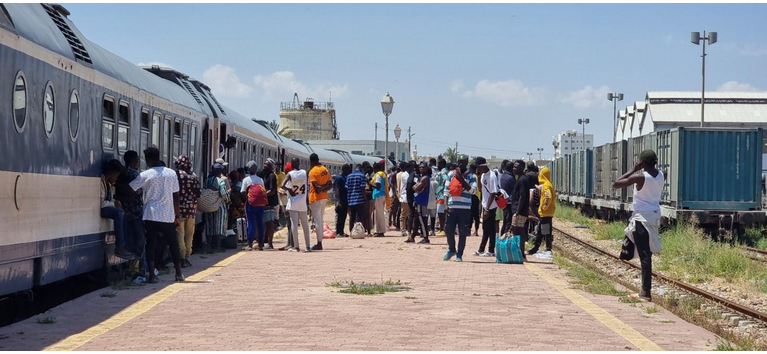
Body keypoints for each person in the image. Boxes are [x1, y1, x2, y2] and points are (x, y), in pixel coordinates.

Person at [613, 150, 664, 301]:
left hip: (641, 219)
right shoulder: (663, 175)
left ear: (641, 163)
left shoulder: (640, 177)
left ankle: (645, 292)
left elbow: (616, 183)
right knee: (647, 254)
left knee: (645, 256)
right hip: (654, 218)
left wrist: (633, 170)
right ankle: (645, 290)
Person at [129, 147, 184, 283]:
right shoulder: (171, 173)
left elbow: (131, 188)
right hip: (167, 215)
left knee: (151, 244)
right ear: (158, 156)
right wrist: (177, 216)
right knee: (173, 243)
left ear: (147, 160)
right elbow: (175, 196)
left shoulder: (146, 174)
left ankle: (152, 275)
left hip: (151, 214)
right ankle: (178, 274)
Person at [115, 151, 146, 279]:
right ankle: (140, 269)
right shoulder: (134, 174)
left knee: (130, 243)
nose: (139, 162)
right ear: (134, 161)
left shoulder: (122, 175)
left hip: (127, 212)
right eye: (138, 160)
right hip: (137, 212)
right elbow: (134, 195)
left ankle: (132, 269)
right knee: (141, 242)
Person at [443, 155, 477, 262]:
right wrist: (445, 205)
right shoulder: (450, 174)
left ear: (467, 163)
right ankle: (451, 249)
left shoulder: (471, 176)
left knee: (462, 232)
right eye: (459, 162)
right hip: (452, 206)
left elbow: (473, 191)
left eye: (463, 162)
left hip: (465, 208)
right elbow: (446, 191)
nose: (460, 164)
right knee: (449, 230)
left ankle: (459, 254)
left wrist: (462, 180)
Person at [101, 159, 134, 260]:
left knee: (123, 213)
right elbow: (101, 203)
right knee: (119, 213)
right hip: (103, 208)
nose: (116, 179)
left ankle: (125, 245)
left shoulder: (110, 185)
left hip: (108, 207)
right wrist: (114, 204)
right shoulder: (100, 183)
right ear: (110, 174)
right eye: (116, 176)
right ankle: (120, 246)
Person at [175, 155, 200, 267]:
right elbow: (198, 193)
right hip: (191, 211)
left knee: (180, 234)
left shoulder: (177, 175)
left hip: (179, 210)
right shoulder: (193, 176)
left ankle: (181, 258)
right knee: (189, 235)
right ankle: (186, 257)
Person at [282, 158, 311, 252]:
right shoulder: (304, 172)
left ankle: (297, 246)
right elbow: (307, 186)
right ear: (299, 163)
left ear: (291, 165)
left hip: (293, 202)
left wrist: (289, 190)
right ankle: (308, 246)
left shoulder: (290, 174)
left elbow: (282, 185)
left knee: (294, 224)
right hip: (302, 202)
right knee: (305, 225)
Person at [511, 160, 536, 258]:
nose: (514, 168)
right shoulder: (521, 178)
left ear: (521, 168)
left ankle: (521, 253)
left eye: (516, 167)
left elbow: (522, 196)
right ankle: (519, 252)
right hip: (519, 209)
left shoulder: (522, 180)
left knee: (519, 230)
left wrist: (517, 211)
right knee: (517, 230)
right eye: (513, 166)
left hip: (520, 210)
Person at [529, 166, 556, 255]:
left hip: (546, 213)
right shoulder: (549, 184)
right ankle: (536, 247)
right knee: (542, 230)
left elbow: (548, 197)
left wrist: (544, 207)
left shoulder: (546, 186)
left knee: (545, 230)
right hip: (548, 212)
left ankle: (547, 248)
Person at [308, 153, 332, 250]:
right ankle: (319, 242)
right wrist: (325, 188)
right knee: (320, 220)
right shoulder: (325, 170)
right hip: (324, 197)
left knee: (317, 220)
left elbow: (316, 188)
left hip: (315, 198)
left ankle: (319, 243)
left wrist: (320, 188)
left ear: (311, 161)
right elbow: (330, 185)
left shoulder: (312, 172)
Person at [204, 163, 230, 251]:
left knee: (209, 225)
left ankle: (209, 246)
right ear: (220, 171)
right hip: (219, 206)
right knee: (219, 225)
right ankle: (218, 246)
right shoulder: (220, 181)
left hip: (209, 205)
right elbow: (224, 193)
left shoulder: (207, 180)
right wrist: (228, 200)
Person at [474, 157, 497, 257]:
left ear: (482, 166)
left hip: (490, 206)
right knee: (485, 228)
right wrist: (478, 177)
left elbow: (493, 192)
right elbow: (480, 189)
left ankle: (491, 250)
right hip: (484, 204)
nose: (477, 169)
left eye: (478, 167)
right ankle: (481, 249)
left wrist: (487, 208)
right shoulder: (483, 175)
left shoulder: (492, 176)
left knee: (491, 228)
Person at [241, 161, 265, 251]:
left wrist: (247, 199)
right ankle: (261, 245)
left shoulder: (246, 180)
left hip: (250, 204)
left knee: (251, 223)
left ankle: (250, 244)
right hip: (260, 205)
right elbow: (263, 191)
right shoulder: (260, 180)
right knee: (260, 223)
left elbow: (242, 192)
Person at [410, 162, 432, 244]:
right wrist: (417, 187)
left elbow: (415, 188)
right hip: (418, 200)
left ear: (426, 168)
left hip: (421, 201)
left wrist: (417, 187)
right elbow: (415, 187)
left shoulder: (425, 178)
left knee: (422, 220)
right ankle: (412, 237)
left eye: (423, 167)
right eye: (420, 167)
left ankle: (426, 238)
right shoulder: (421, 177)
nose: (421, 169)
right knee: (417, 220)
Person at [262, 158, 279, 249]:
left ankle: (270, 243)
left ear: (270, 166)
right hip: (265, 201)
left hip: (270, 202)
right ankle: (265, 240)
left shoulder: (272, 176)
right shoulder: (265, 174)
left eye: (266, 163)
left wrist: (262, 195)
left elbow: (272, 191)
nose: (264, 164)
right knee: (265, 222)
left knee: (269, 223)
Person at [346, 164, 367, 234]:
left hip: (350, 199)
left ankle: (351, 231)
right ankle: (357, 231)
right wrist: (365, 198)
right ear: (361, 169)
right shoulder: (362, 176)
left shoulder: (349, 176)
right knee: (359, 215)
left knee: (352, 215)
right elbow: (362, 188)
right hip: (359, 199)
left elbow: (346, 188)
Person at [369, 162, 389, 237]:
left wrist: (369, 183)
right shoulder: (383, 174)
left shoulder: (378, 175)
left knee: (379, 214)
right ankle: (378, 230)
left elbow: (378, 186)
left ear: (376, 169)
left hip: (378, 195)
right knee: (379, 213)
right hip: (382, 195)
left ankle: (380, 231)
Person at [500, 160, 517, 235]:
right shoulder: (510, 178)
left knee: (505, 221)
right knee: (508, 222)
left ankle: (502, 237)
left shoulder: (504, 176)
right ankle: (505, 238)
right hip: (509, 202)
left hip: (504, 201)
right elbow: (516, 189)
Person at [334, 164, 352, 237]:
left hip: (345, 200)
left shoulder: (345, 177)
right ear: (345, 170)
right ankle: (338, 231)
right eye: (348, 170)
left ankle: (341, 231)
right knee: (340, 217)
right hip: (341, 200)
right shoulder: (339, 178)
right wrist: (339, 201)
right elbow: (337, 189)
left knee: (343, 216)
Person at [434, 158, 448, 235]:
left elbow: (445, 180)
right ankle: (441, 229)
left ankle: (442, 229)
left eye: (438, 164)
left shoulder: (443, 171)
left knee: (441, 213)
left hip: (441, 195)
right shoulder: (446, 171)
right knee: (441, 213)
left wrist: (443, 189)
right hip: (441, 194)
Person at [397, 162, 410, 236]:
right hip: (404, 196)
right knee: (404, 214)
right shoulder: (404, 175)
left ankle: (407, 228)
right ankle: (403, 229)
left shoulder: (402, 174)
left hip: (406, 196)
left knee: (408, 214)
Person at [468, 164, 481, 237]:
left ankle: (469, 230)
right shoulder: (479, 176)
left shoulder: (472, 176)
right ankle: (476, 231)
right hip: (478, 197)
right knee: (476, 215)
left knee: (471, 214)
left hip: (473, 196)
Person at [275, 164, 287, 229]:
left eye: (279, 167)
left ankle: (286, 217)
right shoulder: (274, 175)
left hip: (282, 192)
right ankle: (277, 220)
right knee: (277, 207)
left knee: (284, 205)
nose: (278, 169)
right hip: (277, 192)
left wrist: (284, 190)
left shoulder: (283, 174)